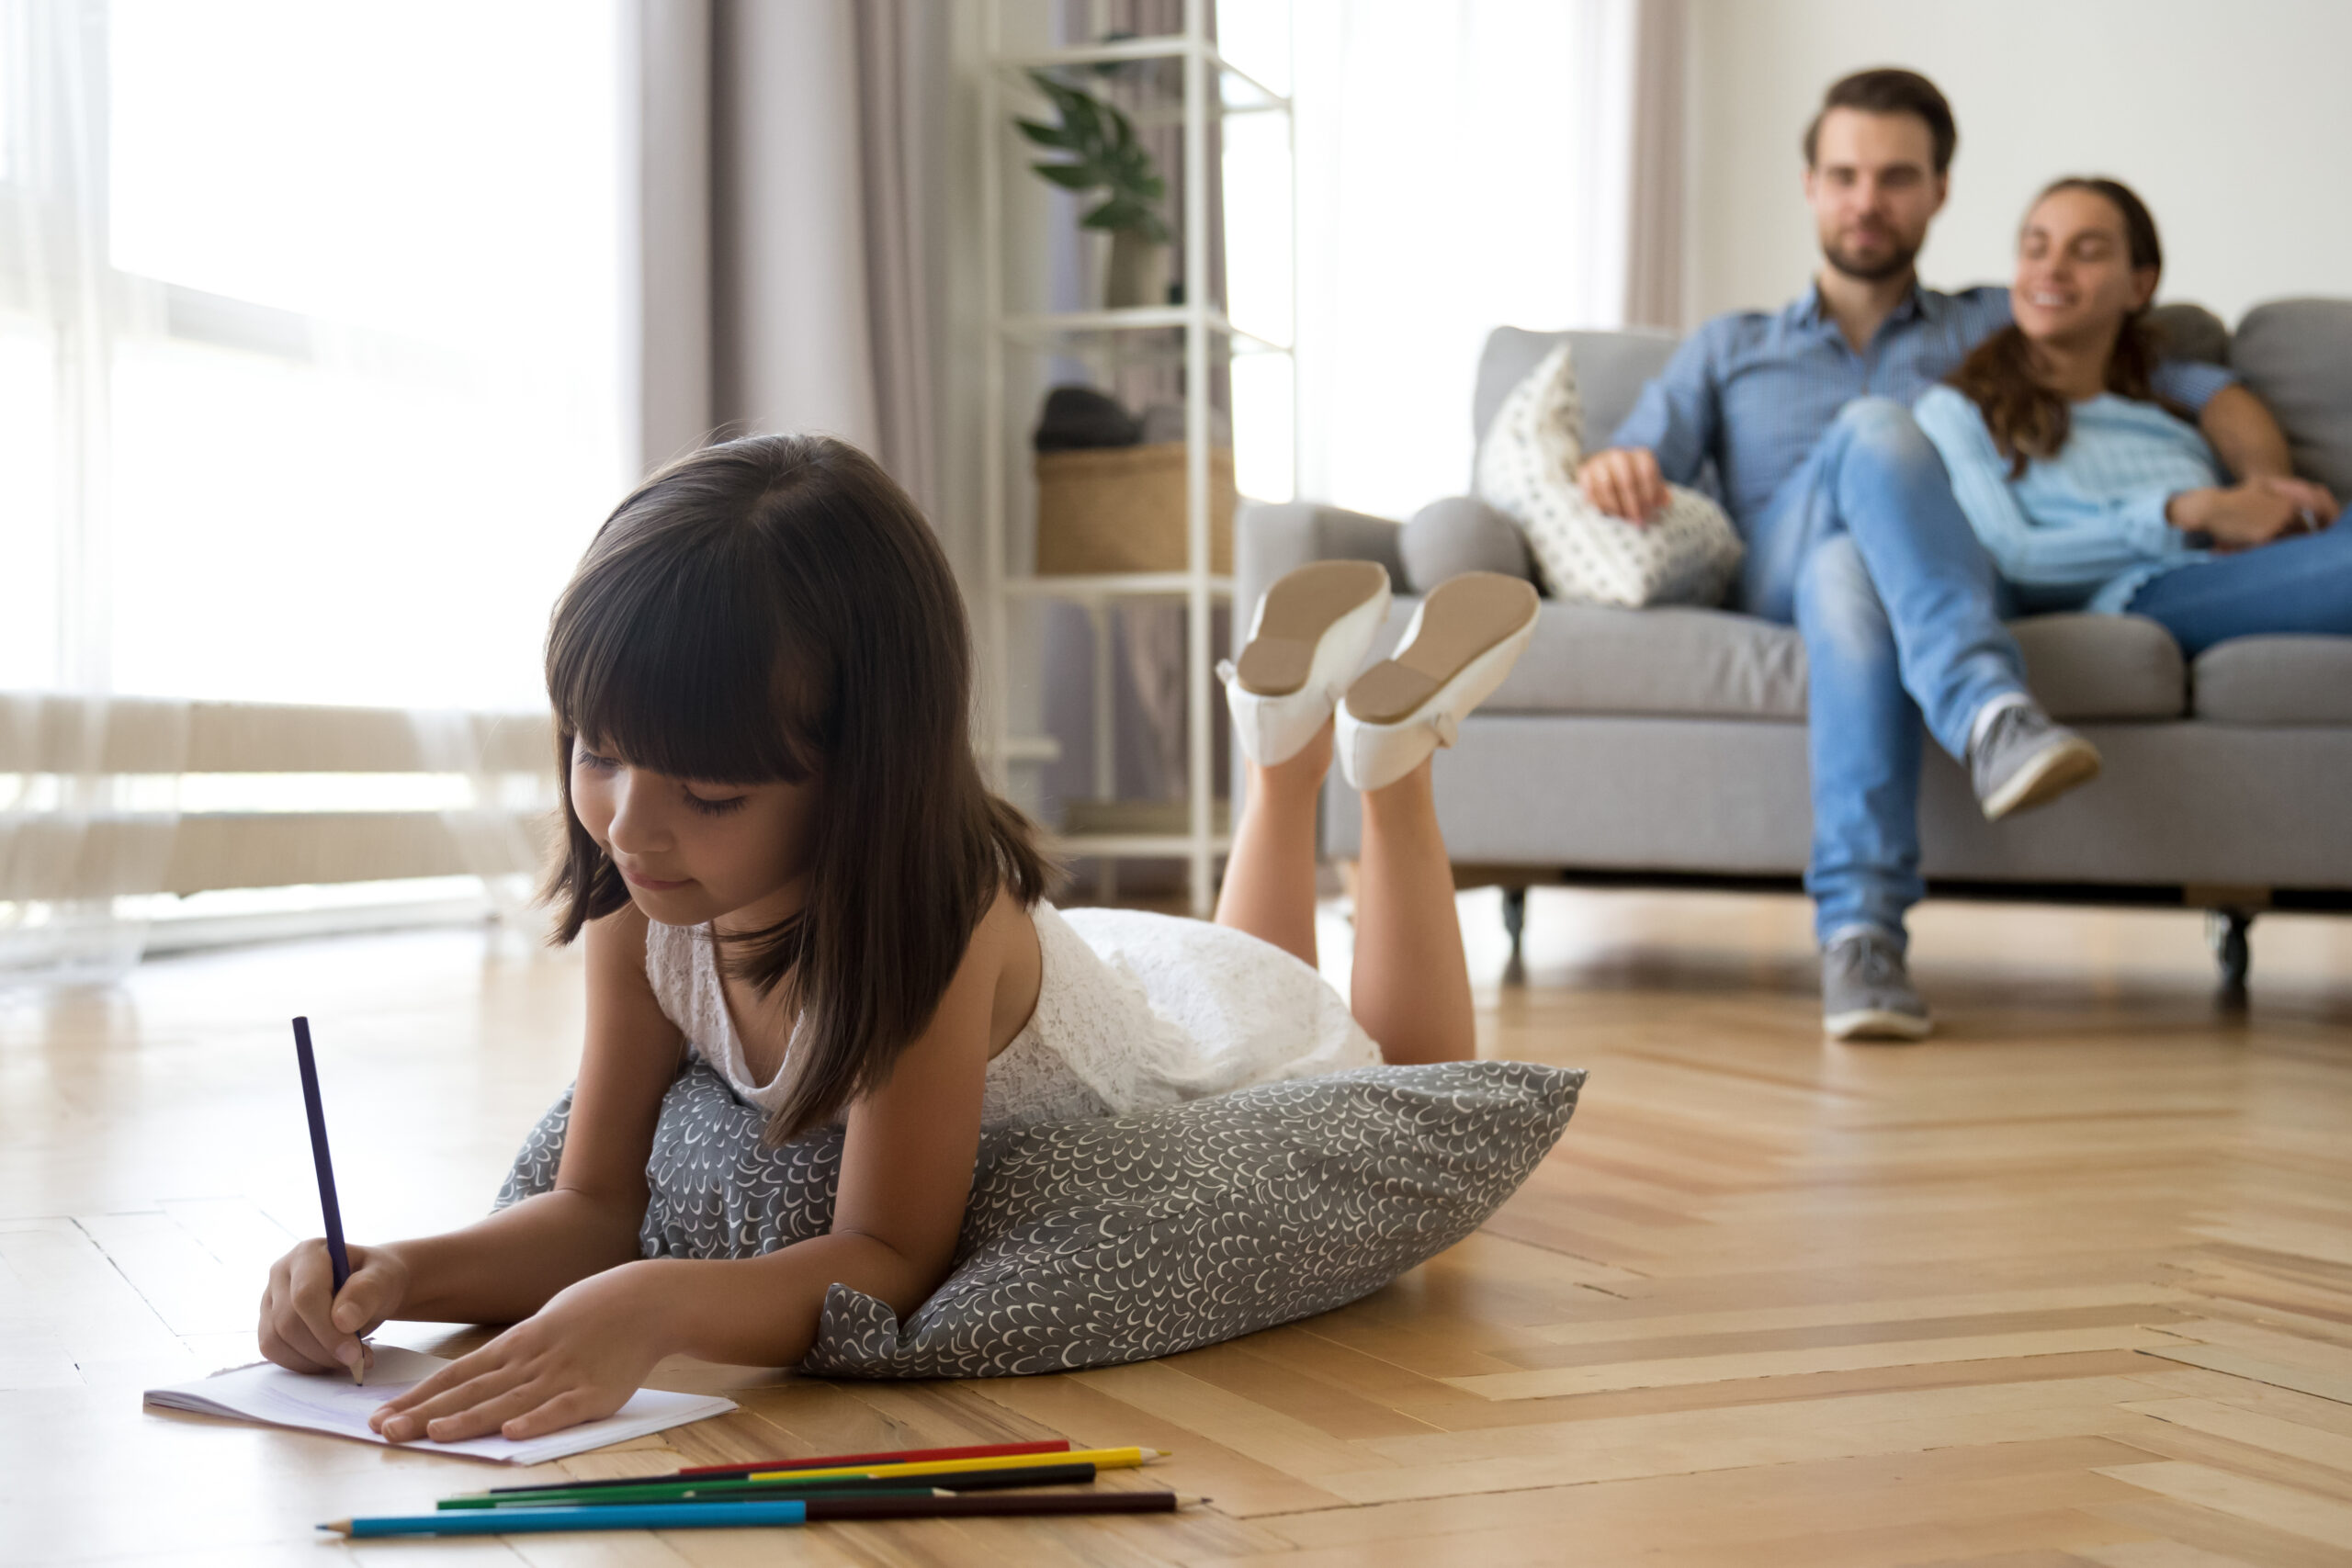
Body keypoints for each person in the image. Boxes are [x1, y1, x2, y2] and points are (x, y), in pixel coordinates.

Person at [254, 434, 1540, 1443]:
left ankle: (1388, 765)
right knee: (1250, 969)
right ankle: (1281, 753)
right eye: (599, 749)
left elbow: (888, 1255)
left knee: (1382, 1053)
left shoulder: (928, 920)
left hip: (1165, 1062)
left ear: (863, 774)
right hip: (1114, 972)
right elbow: (596, 1204)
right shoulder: (638, 895)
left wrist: (657, 1302)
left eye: (708, 792)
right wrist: (391, 1268)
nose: (628, 823)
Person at [1574, 68, 2300, 1042]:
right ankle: (1986, 711)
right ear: (1810, 186)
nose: (1866, 201)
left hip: (1915, 585)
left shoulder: (1997, 323)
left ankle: (1862, 942)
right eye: (1843, 175)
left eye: (1895, 177)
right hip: (1775, 571)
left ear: (1939, 191)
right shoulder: (1730, 346)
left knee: (1852, 574)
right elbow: (1629, 466)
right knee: (1870, 437)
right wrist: (1614, 465)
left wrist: (2264, 482)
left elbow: (2199, 378)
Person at [1916, 176, 2346, 652]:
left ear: (2139, 286)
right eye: (2036, 249)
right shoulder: (1956, 411)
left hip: (2236, 568)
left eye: (2086, 252)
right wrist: (2190, 512)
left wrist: (2280, 510)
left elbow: (2240, 490)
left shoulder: (2167, 415)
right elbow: (2015, 556)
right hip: (2144, 593)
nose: (2052, 269)